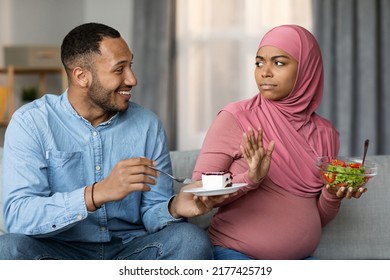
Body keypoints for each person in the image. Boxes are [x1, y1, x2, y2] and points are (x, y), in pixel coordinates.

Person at [0, 22, 221, 260]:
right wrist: (96, 193)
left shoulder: (148, 125)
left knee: (190, 239)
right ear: (82, 76)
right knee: (9, 248)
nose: (132, 79)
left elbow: (152, 210)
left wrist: (173, 207)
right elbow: (18, 215)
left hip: (131, 249)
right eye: (119, 69)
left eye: (131, 66)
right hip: (59, 251)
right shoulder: (31, 123)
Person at [192, 24, 367, 260]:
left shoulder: (326, 134)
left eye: (279, 62)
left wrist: (332, 194)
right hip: (235, 254)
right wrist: (250, 180)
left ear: (307, 69)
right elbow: (199, 193)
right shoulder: (236, 118)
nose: (265, 72)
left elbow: (318, 216)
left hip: (302, 260)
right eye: (259, 62)